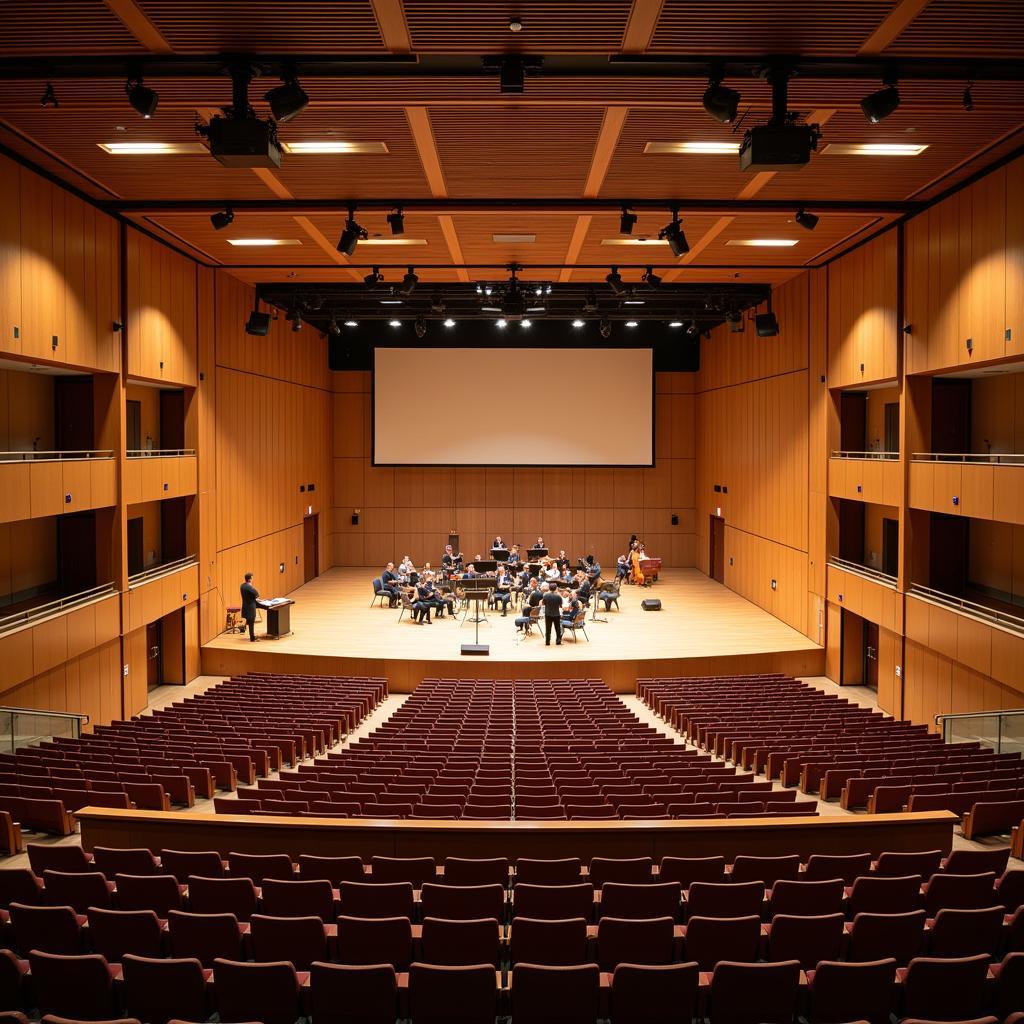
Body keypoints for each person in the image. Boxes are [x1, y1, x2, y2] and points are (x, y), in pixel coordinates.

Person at [542, 581, 563, 646]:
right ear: (556, 588)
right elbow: (560, 605)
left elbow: (543, 603)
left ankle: (547, 642)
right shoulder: (558, 596)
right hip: (556, 614)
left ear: (549, 588)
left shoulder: (545, 595)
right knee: (557, 628)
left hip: (548, 614)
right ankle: (558, 641)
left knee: (548, 628)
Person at [240, 572, 259, 642]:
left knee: (248, 621)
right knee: (251, 623)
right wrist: (251, 586)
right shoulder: (249, 586)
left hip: (245, 606)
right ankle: (252, 637)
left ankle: (243, 629)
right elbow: (257, 594)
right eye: (252, 578)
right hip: (251, 607)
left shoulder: (242, 586)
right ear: (250, 579)